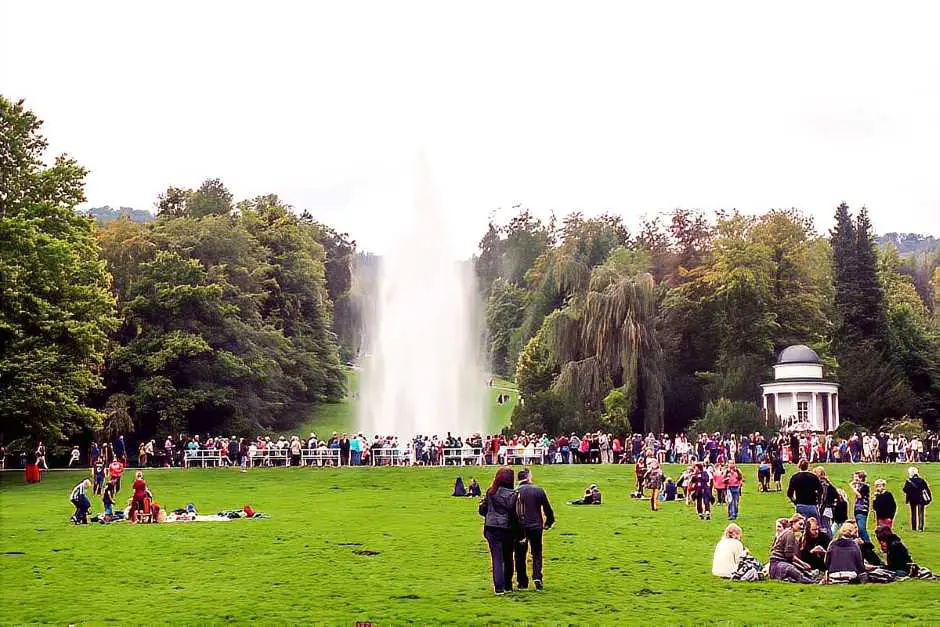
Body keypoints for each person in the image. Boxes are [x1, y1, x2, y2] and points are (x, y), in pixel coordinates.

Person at [478, 467, 519, 595]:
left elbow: (483, 510)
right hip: (507, 528)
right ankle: (507, 585)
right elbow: (514, 514)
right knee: (508, 558)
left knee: (496, 558)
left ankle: (499, 588)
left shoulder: (491, 492)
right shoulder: (514, 495)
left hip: (492, 528)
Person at [514, 468, 555, 590]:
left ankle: (522, 581)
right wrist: (549, 522)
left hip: (520, 526)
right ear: (528, 477)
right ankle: (537, 576)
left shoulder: (515, 491)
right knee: (537, 552)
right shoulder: (538, 490)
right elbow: (547, 508)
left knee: (520, 554)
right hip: (536, 526)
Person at [768, 515, 817, 583]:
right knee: (794, 571)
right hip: (777, 563)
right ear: (793, 523)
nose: (801, 527)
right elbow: (789, 555)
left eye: (802, 525)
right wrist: (802, 564)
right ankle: (809, 581)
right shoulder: (789, 534)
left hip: (782, 563)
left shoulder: (790, 533)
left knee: (802, 571)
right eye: (800, 524)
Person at [787, 459, 822, 523]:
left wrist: (795, 501)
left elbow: (789, 494)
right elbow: (820, 491)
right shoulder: (813, 477)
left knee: (802, 525)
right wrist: (818, 501)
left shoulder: (795, 477)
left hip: (800, 504)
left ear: (799, 466)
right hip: (812, 505)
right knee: (814, 524)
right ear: (807, 466)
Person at [902, 467, 931, 532]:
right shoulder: (921, 480)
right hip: (921, 499)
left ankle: (914, 527)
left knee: (913, 513)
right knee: (921, 513)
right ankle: (920, 528)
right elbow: (926, 489)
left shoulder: (909, 481)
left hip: (912, 499)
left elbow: (905, 489)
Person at [849, 470, 871, 543]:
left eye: (856, 478)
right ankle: (862, 544)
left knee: (861, 528)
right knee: (858, 528)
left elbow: (859, 496)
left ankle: (868, 543)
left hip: (863, 510)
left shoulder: (865, 486)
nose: (855, 479)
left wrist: (852, 487)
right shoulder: (859, 486)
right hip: (857, 509)